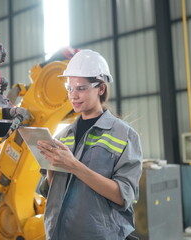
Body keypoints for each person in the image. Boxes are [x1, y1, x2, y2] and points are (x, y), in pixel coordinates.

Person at [37, 49, 143, 240]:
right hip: (59, 233)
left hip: (100, 235)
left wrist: (74, 166)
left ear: (100, 88)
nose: (73, 95)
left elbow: (123, 196)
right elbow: (51, 190)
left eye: (81, 88)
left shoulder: (125, 135)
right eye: (70, 88)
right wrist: (51, 166)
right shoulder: (62, 135)